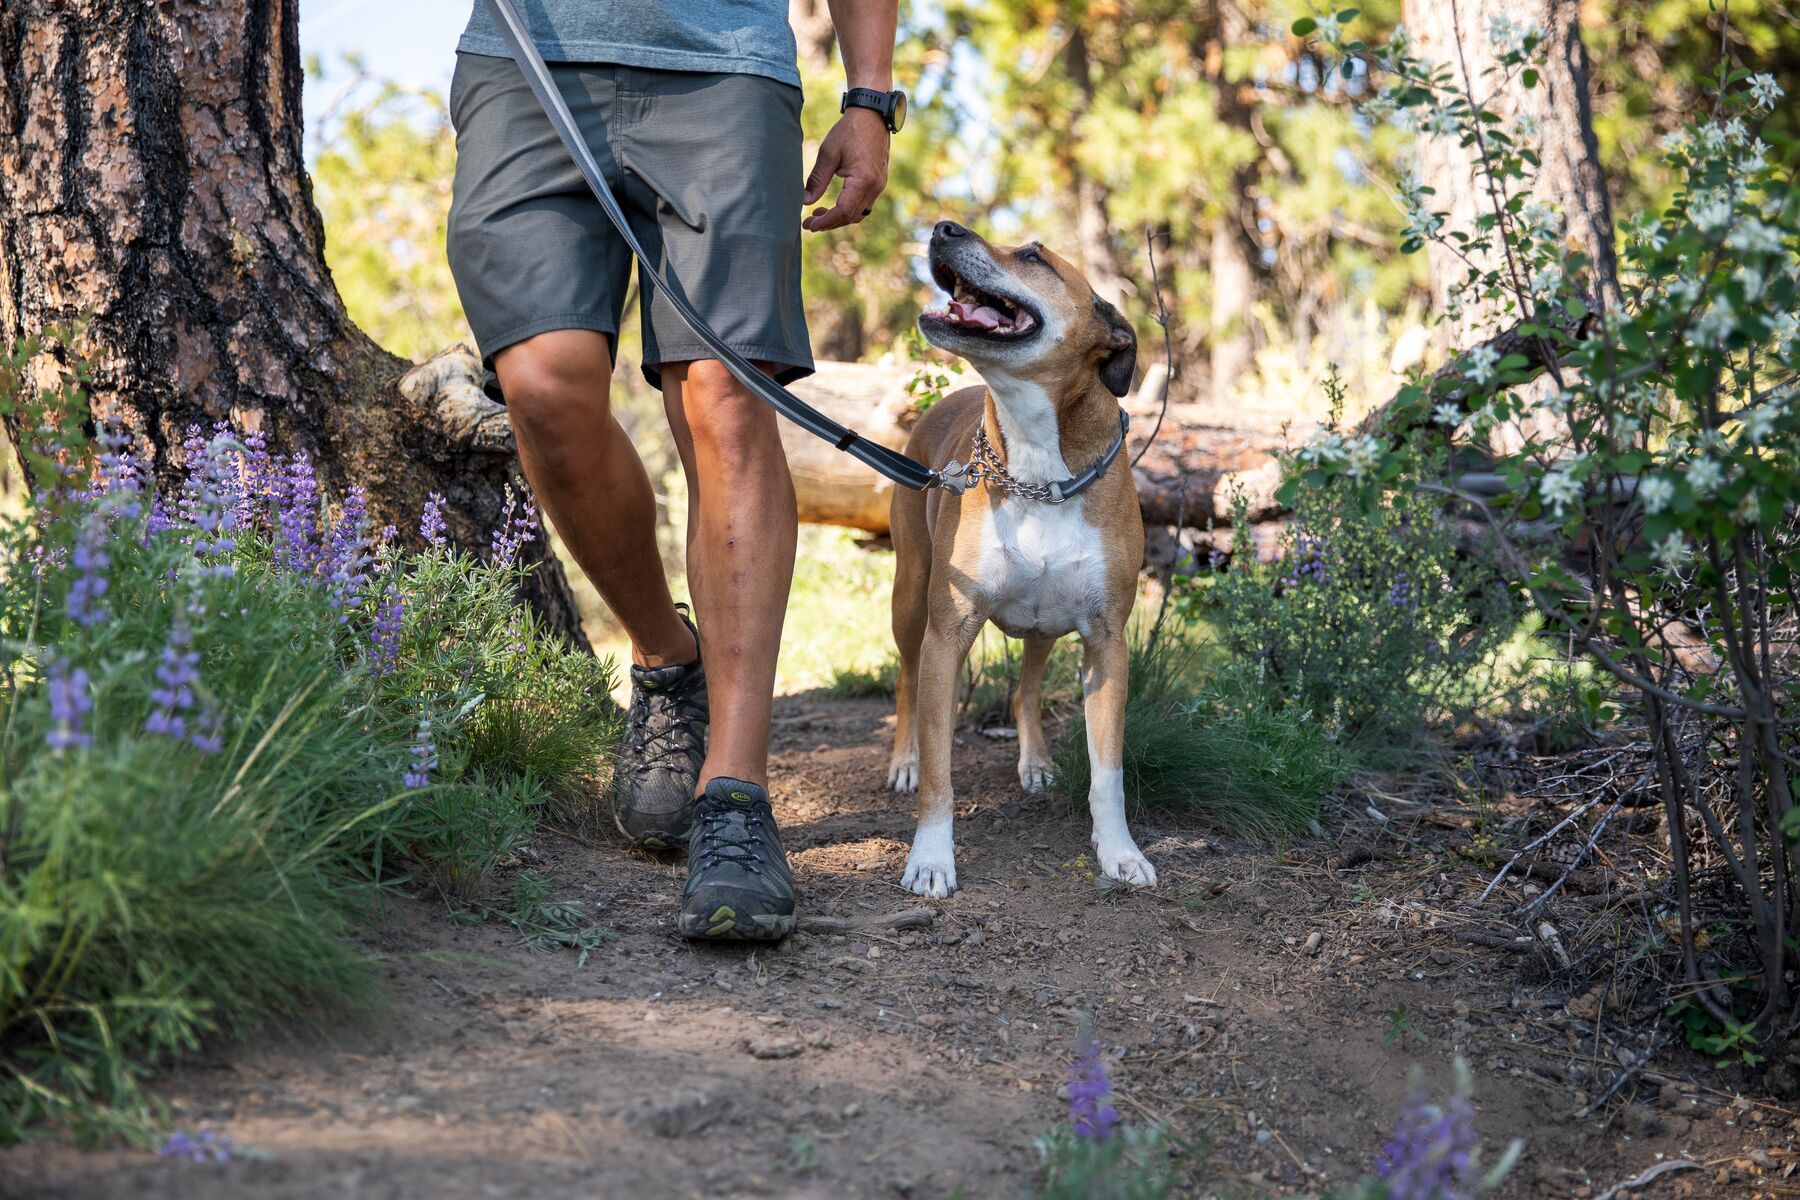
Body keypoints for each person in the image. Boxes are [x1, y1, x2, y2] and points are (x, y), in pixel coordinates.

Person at [446, 2, 904, 941]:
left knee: (725, 399)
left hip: (724, 66)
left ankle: (735, 794)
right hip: (526, 57)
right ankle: (666, 658)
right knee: (542, 387)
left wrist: (868, 97)